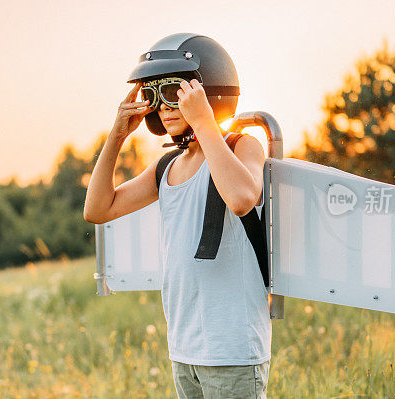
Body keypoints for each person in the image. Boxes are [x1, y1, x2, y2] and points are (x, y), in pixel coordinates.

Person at [83, 33, 271, 398]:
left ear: (207, 93)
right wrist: (117, 135)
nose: (165, 107)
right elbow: (97, 209)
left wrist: (204, 124)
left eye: (174, 93)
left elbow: (242, 198)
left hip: (230, 347)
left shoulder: (239, 146)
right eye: (155, 96)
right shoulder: (167, 166)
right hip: (184, 348)